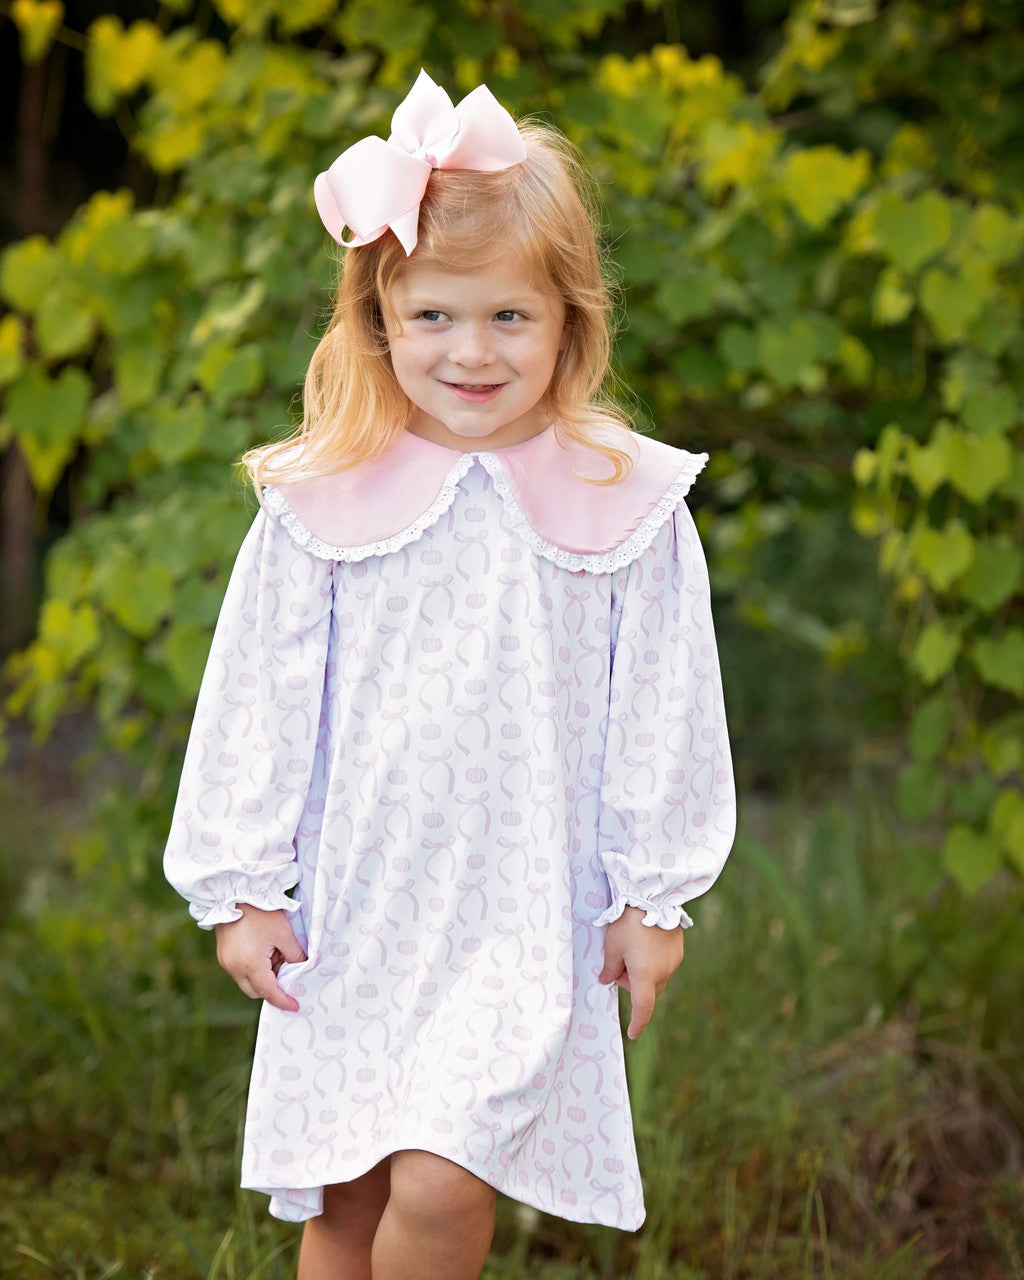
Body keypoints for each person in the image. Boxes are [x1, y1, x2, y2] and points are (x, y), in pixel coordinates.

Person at [164, 69, 736, 1280]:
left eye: (507, 319)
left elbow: (663, 707)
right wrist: (244, 885)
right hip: (359, 898)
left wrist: (651, 893)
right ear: (380, 319)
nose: (469, 351)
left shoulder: (619, 497)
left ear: (569, 319)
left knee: (442, 1176)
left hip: (520, 911)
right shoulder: (324, 497)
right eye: (433, 316)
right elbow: (259, 699)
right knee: (352, 1193)